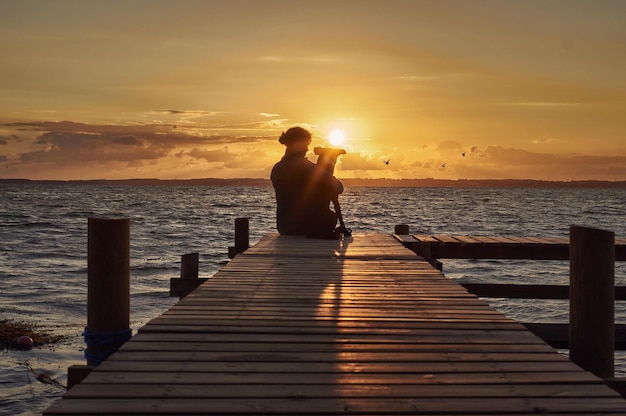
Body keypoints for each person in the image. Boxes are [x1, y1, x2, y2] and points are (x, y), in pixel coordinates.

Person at [270, 126, 344, 238]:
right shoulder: (307, 168)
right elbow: (338, 187)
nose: (307, 149)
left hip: (285, 227)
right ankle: (329, 157)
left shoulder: (277, 168)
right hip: (309, 227)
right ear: (297, 144)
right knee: (325, 185)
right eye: (306, 145)